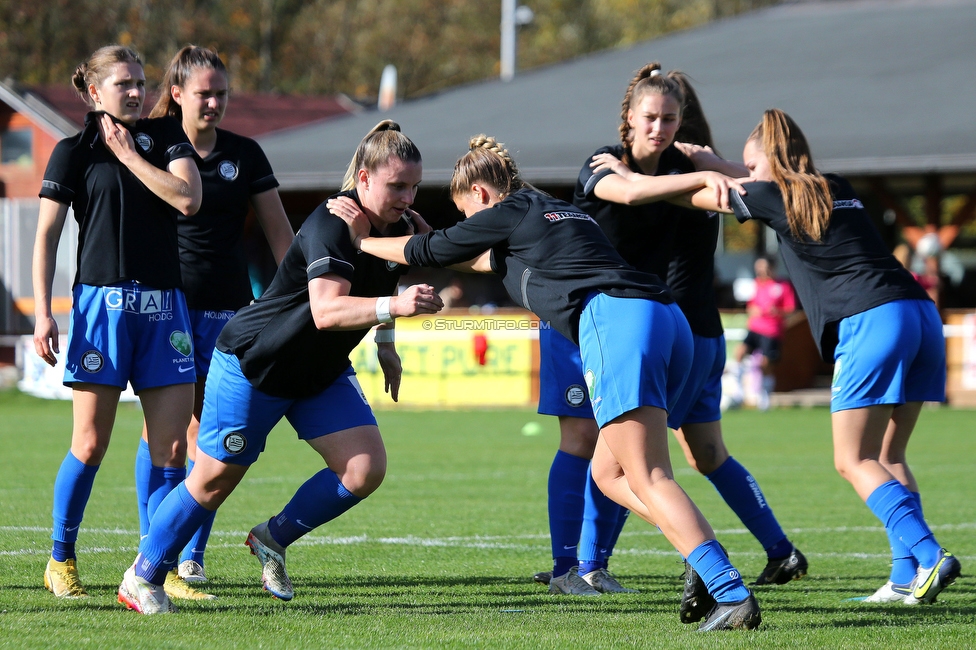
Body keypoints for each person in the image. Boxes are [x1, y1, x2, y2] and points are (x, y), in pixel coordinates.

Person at [335, 135, 762, 631]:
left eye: (467, 213)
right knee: (611, 476)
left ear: (481, 194)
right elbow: (471, 255)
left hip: (617, 323)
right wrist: (445, 236)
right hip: (667, 318)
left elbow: (431, 248)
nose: (471, 224)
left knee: (648, 476)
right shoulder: (549, 210)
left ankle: (729, 590)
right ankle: (699, 549)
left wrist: (360, 239)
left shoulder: (509, 207)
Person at [116, 120, 443, 615]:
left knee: (363, 468)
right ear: (363, 179)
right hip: (257, 364)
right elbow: (327, 311)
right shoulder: (333, 223)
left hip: (319, 371)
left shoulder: (399, 228)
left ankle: (273, 537)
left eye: (414, 185)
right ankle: (142, 577)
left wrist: (387, 344)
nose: (407, 196)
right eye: (397, 185)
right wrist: (394, 312)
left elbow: (389, 279)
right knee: (211, 480)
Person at [536, 65, 805, 617]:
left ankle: (669, 563)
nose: (658, 128)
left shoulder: (686, 167)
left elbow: (759, 191)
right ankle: (578, 565)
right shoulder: (602, 163)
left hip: (648, 328)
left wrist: (709, 166)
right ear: (629, 120)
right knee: (589, 445)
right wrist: (701, 177)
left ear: (682, 122)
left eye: (669, 118)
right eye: (650, 118)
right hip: (585, 323)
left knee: (627, 463)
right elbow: (632, 193)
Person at [670, 108, 959, 606]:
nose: (749, 174)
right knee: (888, 456)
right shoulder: (833, 184)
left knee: (853, 459)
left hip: (871, 320)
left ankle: (931, 557)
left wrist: (644, 179)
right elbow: (762, 182)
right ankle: (904, 576)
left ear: (768, 162)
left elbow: (707, 194)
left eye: (751, 165)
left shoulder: (768, 193)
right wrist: (716, 159)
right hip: (919, 313)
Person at [31, 45, 202, 599]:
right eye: (123, 83)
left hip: (164, 309)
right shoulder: (71, 152)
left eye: (141, 81)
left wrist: (130, 157)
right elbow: (47, 237)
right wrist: (42, 311)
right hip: (100, 309)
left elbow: (188, 199)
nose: (135, 91)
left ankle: (158, 565)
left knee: (173, 450)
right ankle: (61, 557)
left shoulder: (166, 139)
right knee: (90, 444)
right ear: (94, 91)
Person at [131, 45, 294, 599]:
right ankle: (157, 549)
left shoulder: (245, 154)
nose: (215, 103)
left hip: (230, 315)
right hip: (165, 309)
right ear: (176, 93)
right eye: (205, 93)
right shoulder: (147, 143)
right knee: (165, 435)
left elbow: (280, 233)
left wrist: (297, 292)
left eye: (222, 94)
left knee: (218, 436)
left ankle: (188, 559)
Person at [731, 255, 795, 410]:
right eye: (759, 268)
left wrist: (777, 311)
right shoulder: (756, 284)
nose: (761, 271)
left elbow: (790, 309)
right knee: (739, 353)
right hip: (755, 328)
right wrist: (752, 310)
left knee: (765, 364)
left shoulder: (782, 286)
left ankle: (765, 396)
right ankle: (738, 393)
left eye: (764, 268)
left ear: (772, 268)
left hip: (771, 330)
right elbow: (750, 305)